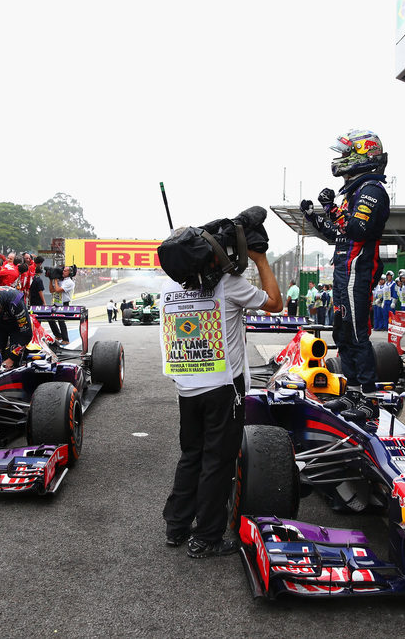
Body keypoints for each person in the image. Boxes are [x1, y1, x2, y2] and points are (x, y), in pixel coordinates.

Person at [161, 248, 282, 558]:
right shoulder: (228, 283)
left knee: (192, 455)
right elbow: (275, 304)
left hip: (187, 388)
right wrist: (261, 260)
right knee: (217, 462)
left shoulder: (169, 286)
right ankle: (206, 537)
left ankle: (176, 527)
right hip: (223, 389)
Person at [300, 129, 390, 421]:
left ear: (362, 155)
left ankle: (369, 399)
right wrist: (315, 216)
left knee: (356, 334)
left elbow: (357, 230)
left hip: (357, 273)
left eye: (345, 154)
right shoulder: (356, 191)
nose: (340, 160)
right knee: (342, 333)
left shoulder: (372, 191)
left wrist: (330, 208)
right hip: (343, 272)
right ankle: (351, 394)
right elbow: (338, 233)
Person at [48, 265, 75, 344]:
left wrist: (56, 280)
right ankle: (58, 335)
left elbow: (58, 290)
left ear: (70, 273)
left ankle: (66, 339)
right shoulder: (61, 280)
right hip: (56, 302)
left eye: (65, 271)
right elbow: (51, 290)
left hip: (64, 303)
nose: (63, 272)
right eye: (63, 270)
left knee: (61, 321)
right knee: (50, 318)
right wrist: (51, 280)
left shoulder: (69, 282)